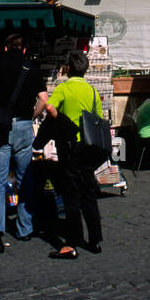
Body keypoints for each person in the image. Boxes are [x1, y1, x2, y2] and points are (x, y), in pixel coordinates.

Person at [0, 33, 48, 253]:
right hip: (24, 126)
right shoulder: (31, 67)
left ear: (5, 48)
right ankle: (25, 228)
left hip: (0, 128)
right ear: (24, 49)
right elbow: (44, 98)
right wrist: (32, 116)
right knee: (25, 177)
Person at [33, 50, 102, 259]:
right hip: (89, 148)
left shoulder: (64, 88)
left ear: (68, 69)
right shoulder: (92, 91)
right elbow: (97, 117)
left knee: (71, 196)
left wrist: (54, 116)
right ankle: (95, 239)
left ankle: (71, 244)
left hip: (70, 148)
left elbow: (50, 105)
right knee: (88, 193)